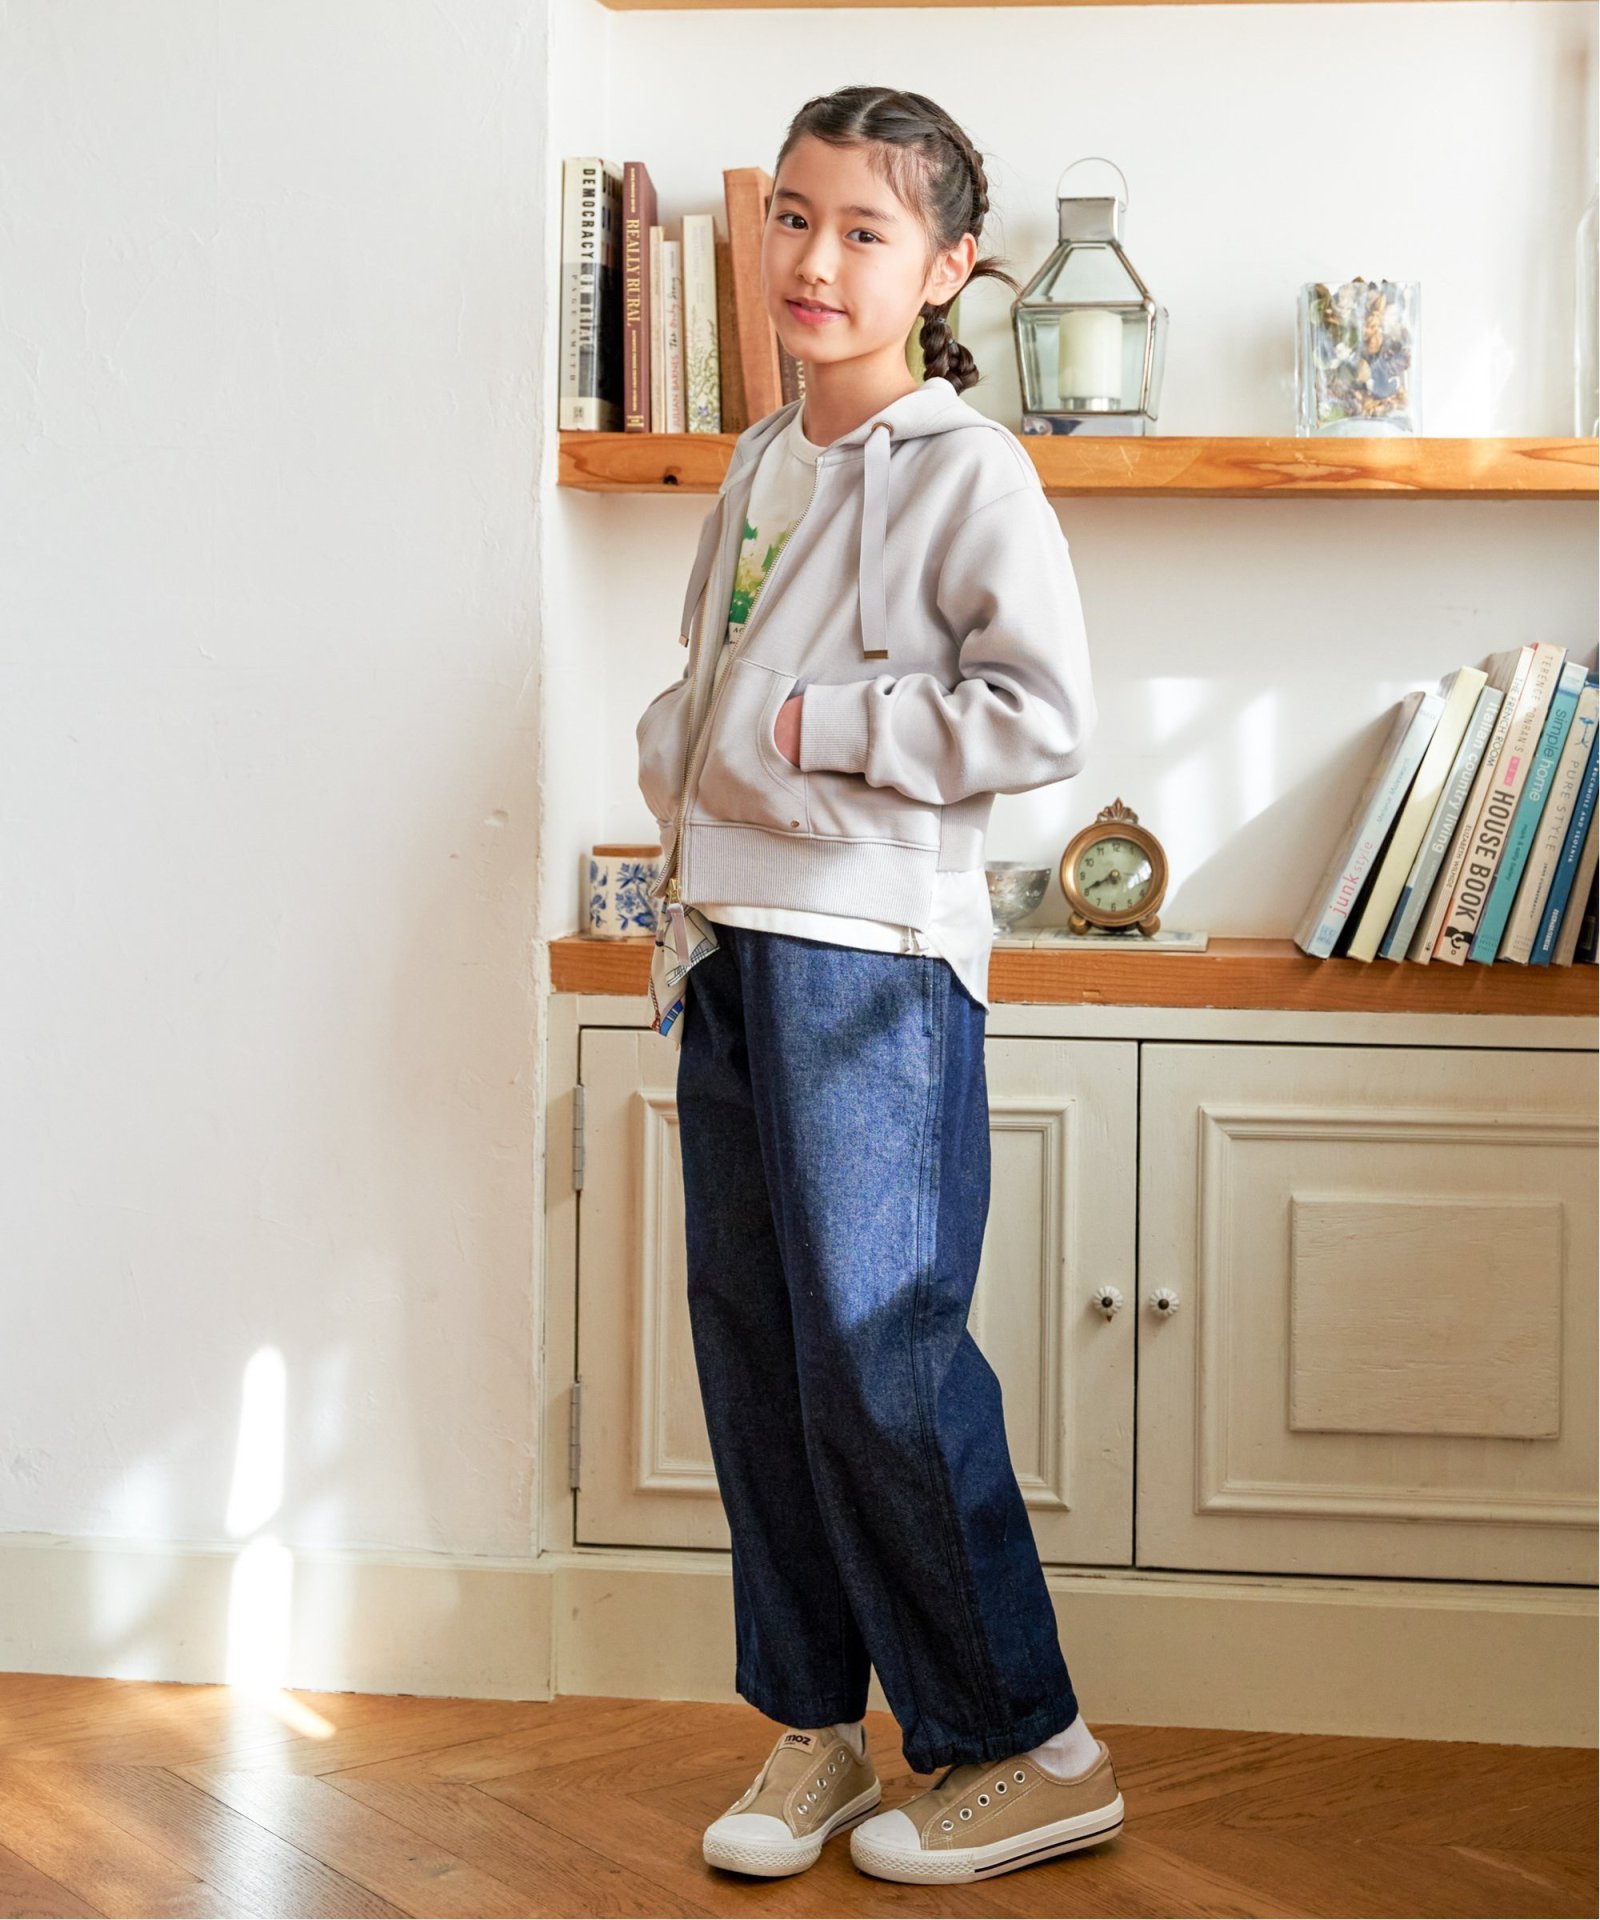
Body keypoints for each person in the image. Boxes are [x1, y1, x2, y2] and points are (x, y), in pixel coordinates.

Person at [633, 85, 1122, 1887]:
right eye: (792, 217)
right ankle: (819, 1726)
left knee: (881, 1360)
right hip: (725, 944)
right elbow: (714, 682)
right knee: (760, 1353)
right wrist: (684, 748)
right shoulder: (765, 457)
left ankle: (1028, 1744)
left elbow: (1039, 717)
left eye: (863, 229)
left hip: (874, 968)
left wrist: (797, 730)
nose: (814, 259)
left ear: (947, 267)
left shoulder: (967, 468)